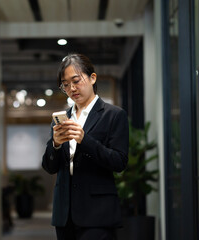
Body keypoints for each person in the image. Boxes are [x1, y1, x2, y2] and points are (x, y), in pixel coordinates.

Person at [42, 53, 129, 240]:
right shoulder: (61, 119)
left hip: (98, 213)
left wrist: (85, 140)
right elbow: (49, 167)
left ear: (92, 78)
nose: (71, 88)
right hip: (64, 214)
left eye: (76, 81)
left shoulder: (113, 115)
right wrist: (56, 144)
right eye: (65, 85)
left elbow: (119, 162)